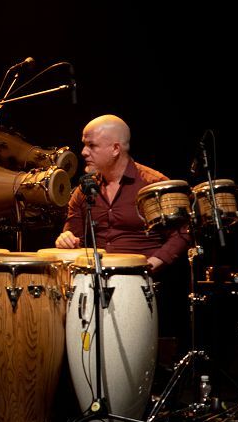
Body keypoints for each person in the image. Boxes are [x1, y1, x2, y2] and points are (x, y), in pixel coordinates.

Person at [54, 114, 190, 348]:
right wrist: (65, 238)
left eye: (92, 145)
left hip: (140, 286)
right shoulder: (84, 190)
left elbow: (182, 232)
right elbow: (72, 232)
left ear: (115, 148)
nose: (84, 152)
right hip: (93, 285)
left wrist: (152, 263)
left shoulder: (152, 185)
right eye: (84, 144)